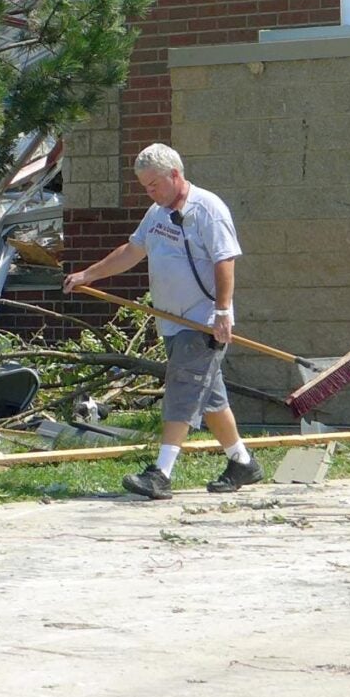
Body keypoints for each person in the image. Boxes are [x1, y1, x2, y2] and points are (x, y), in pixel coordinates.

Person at [64, 143, 261, 498]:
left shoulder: (208, 209)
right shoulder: (157, 213)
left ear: (175, 174)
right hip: (171, 322)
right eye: (144, 186)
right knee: (211, 399)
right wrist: (88, 275)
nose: (149, 192)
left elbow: (224, 260)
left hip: (201, 323)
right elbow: (132, 251)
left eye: (153, 184)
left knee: (181, 390)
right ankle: (243, 463)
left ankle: (161, 474)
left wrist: (222, 312)